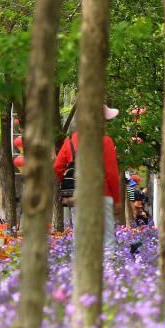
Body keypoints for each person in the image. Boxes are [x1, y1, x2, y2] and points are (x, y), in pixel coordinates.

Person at [53, 106, 121, 250]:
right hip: (102, 195)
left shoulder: (70, 141)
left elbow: (57, 167)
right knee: (107, 241)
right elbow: (111, 173)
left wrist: (68, 184)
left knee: (80, 239)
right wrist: (117, 200)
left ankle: (79, 270)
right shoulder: (106, 141)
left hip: (79, 196)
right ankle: (111, 270)